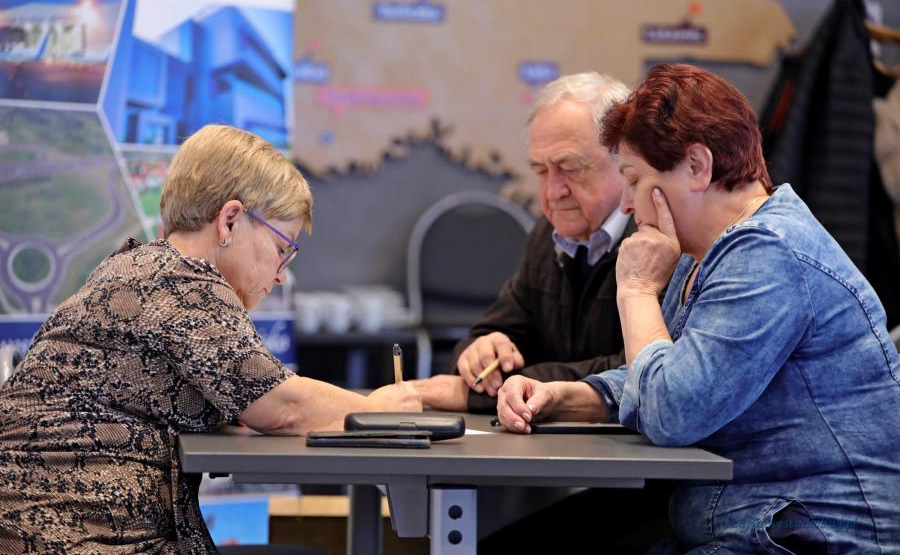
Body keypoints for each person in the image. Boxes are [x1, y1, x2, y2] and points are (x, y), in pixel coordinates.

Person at [498, 63, 900, 552]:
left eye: (634, 179)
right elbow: (675, 373)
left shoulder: (768, 253)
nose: (626, 204)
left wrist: (636, 289)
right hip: (748, 525)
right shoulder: (706, 254)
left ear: (696, 166)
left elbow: (673, 411)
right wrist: (572, 397)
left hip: (811, 535)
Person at [0, 124, 421, 553]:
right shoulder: (182, 284)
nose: (280, 275)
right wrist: (378, 411)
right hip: (72, 539)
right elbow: (283, 407)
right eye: (282, 249)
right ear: (230, 220)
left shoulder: (146, 269)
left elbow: (246, 394)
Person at [413, 72, 633, 412]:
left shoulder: (657, 240)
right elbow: (497, 331)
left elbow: (631, 373)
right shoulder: (548, 234)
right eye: (541, 171)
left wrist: (487, 393)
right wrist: (480, 351)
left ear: (626, 161)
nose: (552, 192)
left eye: (570, 168)